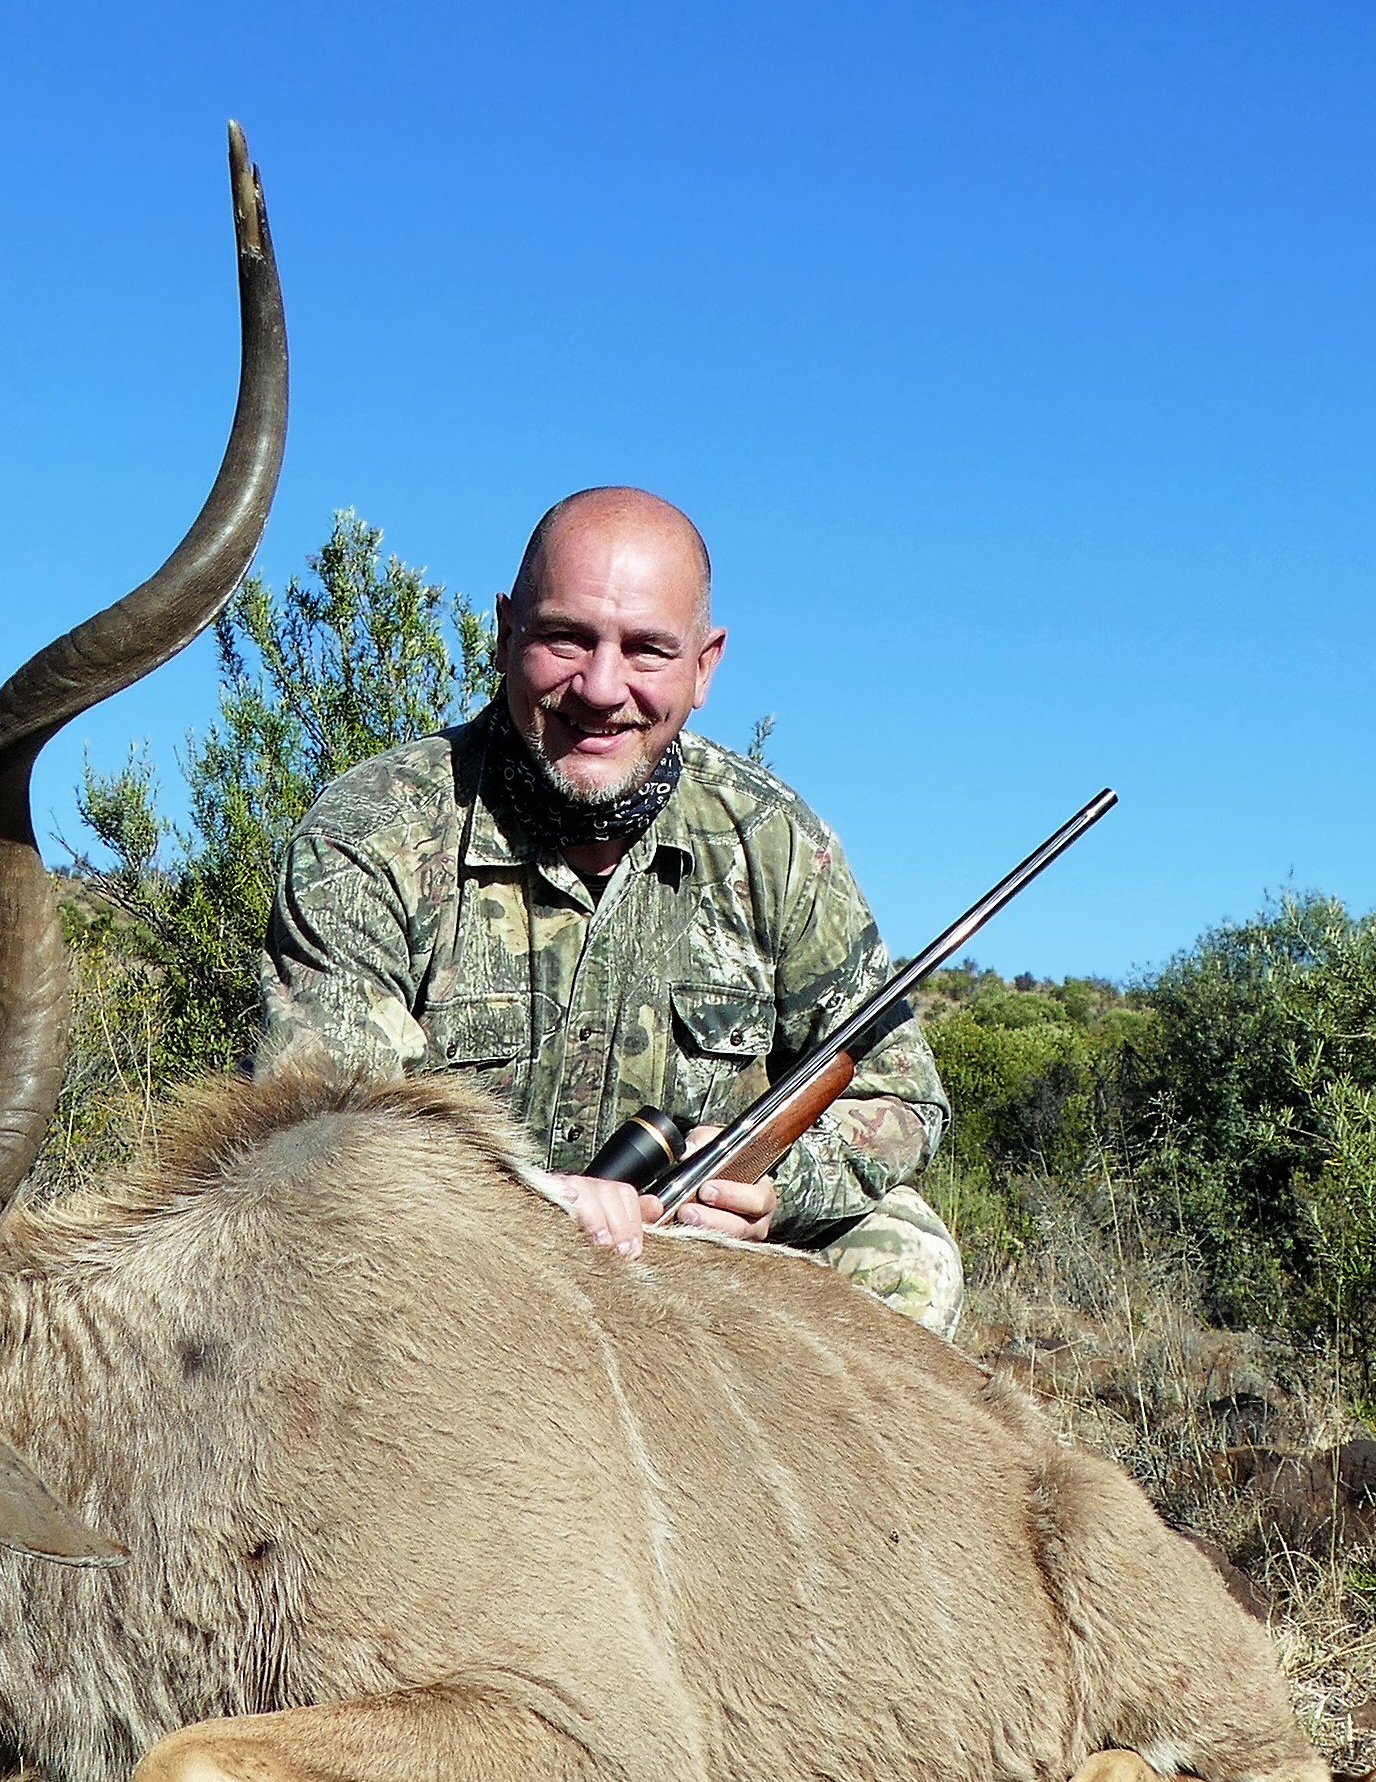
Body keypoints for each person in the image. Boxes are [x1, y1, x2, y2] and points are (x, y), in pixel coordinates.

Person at [258, 486, 963, 1338]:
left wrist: (775, 1189)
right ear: (505, 629)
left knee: (906, 1251)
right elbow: (328, 1122)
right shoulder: (374, 829)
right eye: (567, 637)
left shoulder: (773, 843)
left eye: (647, 651)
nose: (600, 687)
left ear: (705, 667)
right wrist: (537, 1198)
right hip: (446, 1269)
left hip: (695, 1268)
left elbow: (901, 1096)